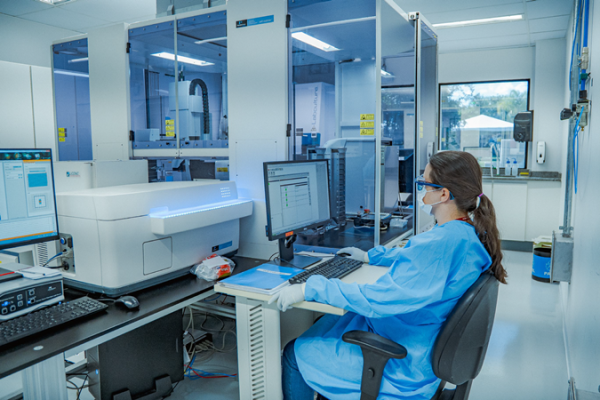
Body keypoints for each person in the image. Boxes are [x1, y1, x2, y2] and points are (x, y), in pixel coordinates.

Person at [269, 151, 508, 400]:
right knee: (332, 320)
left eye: (424, 184)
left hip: (401, 364)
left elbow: (379, 299)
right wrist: (370, 257)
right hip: (417, 342)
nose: (420, 189)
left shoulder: (441, 243)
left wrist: (312, 287)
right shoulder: (463, 233)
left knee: (295, 353)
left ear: (444, 194)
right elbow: (416, 258)